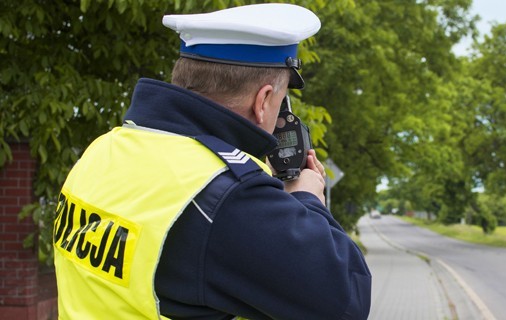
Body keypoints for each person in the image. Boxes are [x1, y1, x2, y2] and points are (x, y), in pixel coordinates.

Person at [52, 3, 371, 319]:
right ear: (262, 102)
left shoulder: (104, 149)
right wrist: (308, 199)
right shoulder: (227, 196)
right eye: (281, 98)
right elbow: (345, 302)